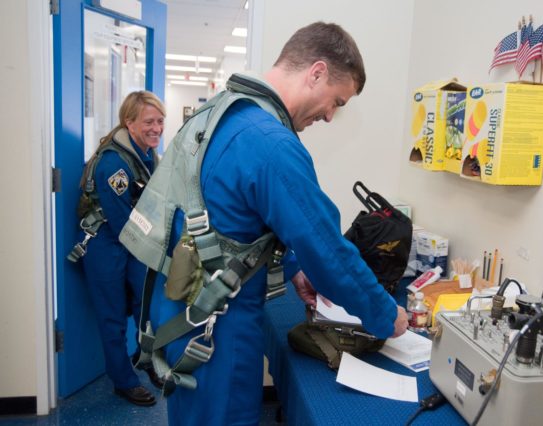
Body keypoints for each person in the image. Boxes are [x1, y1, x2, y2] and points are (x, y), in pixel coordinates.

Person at [148, 22, 408, 424]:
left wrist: (294, 269)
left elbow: (229, 221)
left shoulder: (221, 113)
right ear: (316, 72)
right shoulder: (271, 143)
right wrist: (386, 315)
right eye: (336, 101)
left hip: (182, 307)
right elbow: (329, 252)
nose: (330, 115)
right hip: (219, 330)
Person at [78, 91, 165, 406]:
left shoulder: (146, 155)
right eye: (148, 122)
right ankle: (123, 380)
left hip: (133, 240)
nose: (156, 128)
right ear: (129, 122)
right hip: (108, 245)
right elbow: (121, 221)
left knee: (149, 308)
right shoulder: (114, 163)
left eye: (160, 121)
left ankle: (149, 360)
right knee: (113, 318)